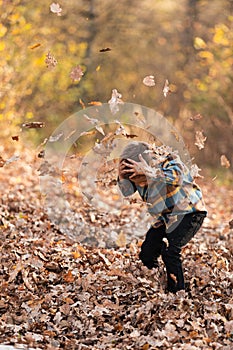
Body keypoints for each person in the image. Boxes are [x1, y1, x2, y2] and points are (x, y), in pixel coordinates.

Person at [117, 141, 207, 293]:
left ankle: (177, 292)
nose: (141, 185)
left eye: (140, 180)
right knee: (147, 252)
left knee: (171, 251)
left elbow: (177, 179)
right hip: (165, 218)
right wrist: (121, 177)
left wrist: (149, 172)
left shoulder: (167, 159)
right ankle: (157, 277)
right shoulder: (133, 173)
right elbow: (127, 192)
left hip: (190, 212)